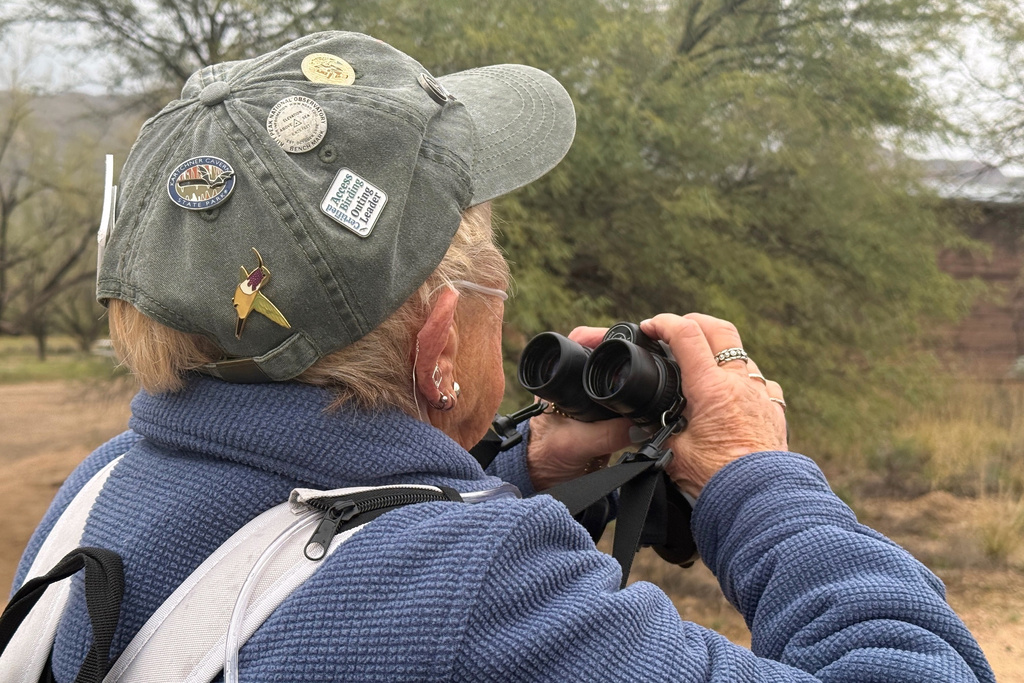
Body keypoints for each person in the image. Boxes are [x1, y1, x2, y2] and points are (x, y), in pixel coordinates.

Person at [11, 31, 994, 682]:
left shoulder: (105, 486)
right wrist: (757, 474)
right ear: (439, 346)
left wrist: (513, 470)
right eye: (497, 281)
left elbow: (317, 547)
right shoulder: (465, 594)